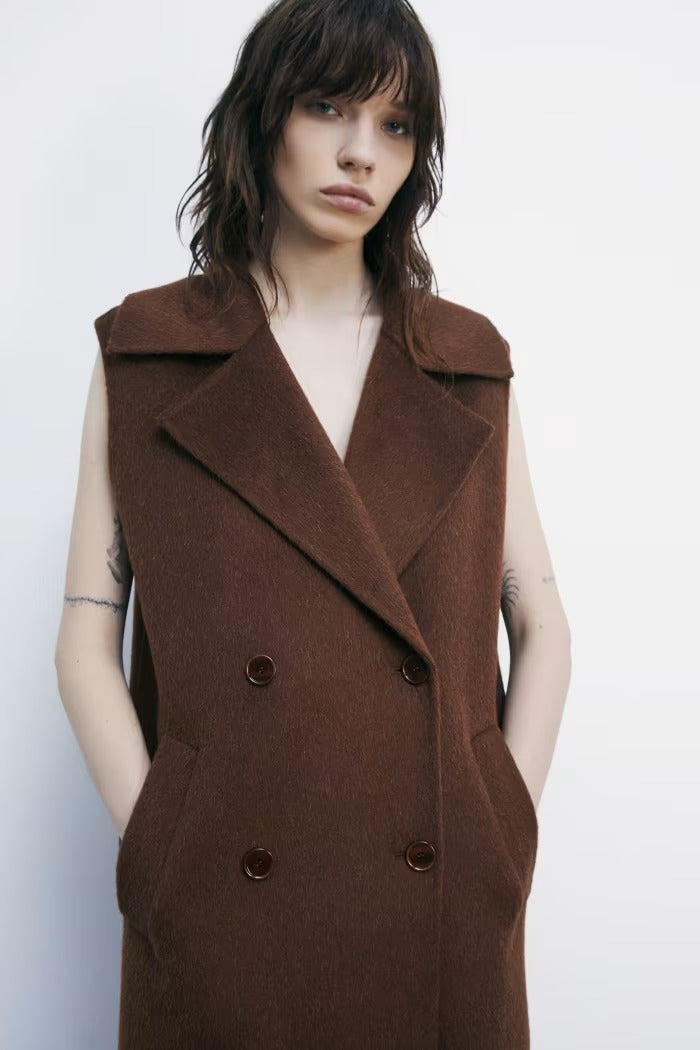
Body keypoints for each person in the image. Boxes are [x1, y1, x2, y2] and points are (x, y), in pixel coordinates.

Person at [54, 1, 571, 1046]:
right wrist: (160, 844)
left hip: (439, 904)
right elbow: (86, 633)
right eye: (327, 106)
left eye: (395, 124)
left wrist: (497, 829)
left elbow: (542, 621)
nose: (359, 152)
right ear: (262, 118)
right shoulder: (148, 355)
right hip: (218, 905)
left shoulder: (465, 362)